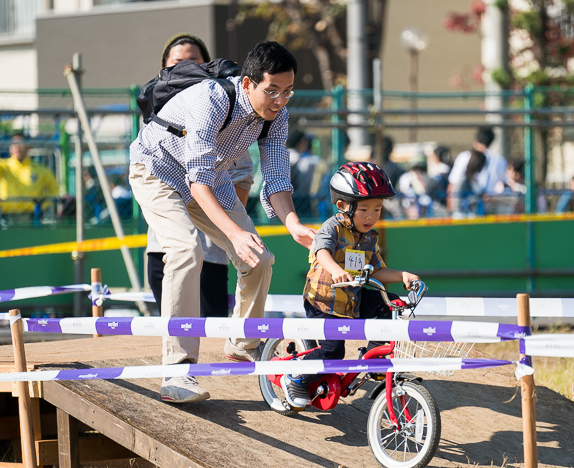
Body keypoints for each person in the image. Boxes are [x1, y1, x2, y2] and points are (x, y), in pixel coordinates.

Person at [129, 40, 316, 403]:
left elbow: (277, 177)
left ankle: (243, 345)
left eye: (288, 92)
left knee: (260, 258)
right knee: (185, 250)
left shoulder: (277, 117)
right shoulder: (210, 99)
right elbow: (195, 179)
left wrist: (293, 224)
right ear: (247, 83)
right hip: (156, 170)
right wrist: (233, 233)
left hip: (210, 178)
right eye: (272, 91)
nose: (280, 101)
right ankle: (177, 373)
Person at [281, 162, 420, 409]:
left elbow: (378, 270)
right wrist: (335, 270)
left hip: (352, 299)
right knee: (333, 352)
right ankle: (296, 375)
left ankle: (374, 359)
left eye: (377, 209)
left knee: (389, 305)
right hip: (324, 302)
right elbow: (321, 250)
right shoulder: (332, 227)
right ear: (343, 206)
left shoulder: (368, 237)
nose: (371, 216)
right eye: (365, 209)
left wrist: (403, 275)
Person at [145, 32, 256, 318]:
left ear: (208, 67)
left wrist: (224, 225)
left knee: (210, 329)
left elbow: (242, 174)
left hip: (211, 250)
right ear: (164, 67)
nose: (185, 67)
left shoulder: (226, 111)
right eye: (177, 62)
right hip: (164, 246)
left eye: (193, 61)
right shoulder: (155, 110)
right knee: (173, 323)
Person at [0, 133, 59, 221]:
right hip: (7, 216)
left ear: (28, 147)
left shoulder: (40, 170)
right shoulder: (3, 166)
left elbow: (54, 189)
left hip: (32, 217)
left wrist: (42, 204)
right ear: (10, 148)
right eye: (14, 144)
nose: (17, 147)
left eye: (21, 143)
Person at [447, 127, 507, 202]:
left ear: (475, 140)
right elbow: (503, 182)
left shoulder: (465, 156)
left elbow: (453, 182)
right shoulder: (499, 160)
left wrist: (452, 209)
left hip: (467, 202)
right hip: (491, 201)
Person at [447, 150, 487, 217]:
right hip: (463, 215)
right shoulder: (464, 180)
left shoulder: (474, 179)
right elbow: (458, 200)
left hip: (473, 213)